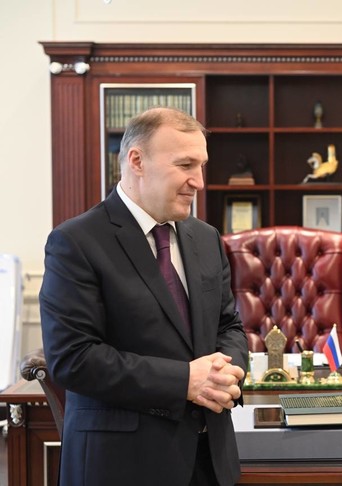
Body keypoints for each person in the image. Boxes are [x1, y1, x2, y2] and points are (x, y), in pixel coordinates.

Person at [39, 107, 249, 486]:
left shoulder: (206, 238)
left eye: (201, 166)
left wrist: (226, 374)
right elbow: (73, 358)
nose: (199, 181)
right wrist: (184, 380)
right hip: (121, 465)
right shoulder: (75, 242)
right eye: (185, 165)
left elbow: (228, 325)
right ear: (137, 161)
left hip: (209, 461)